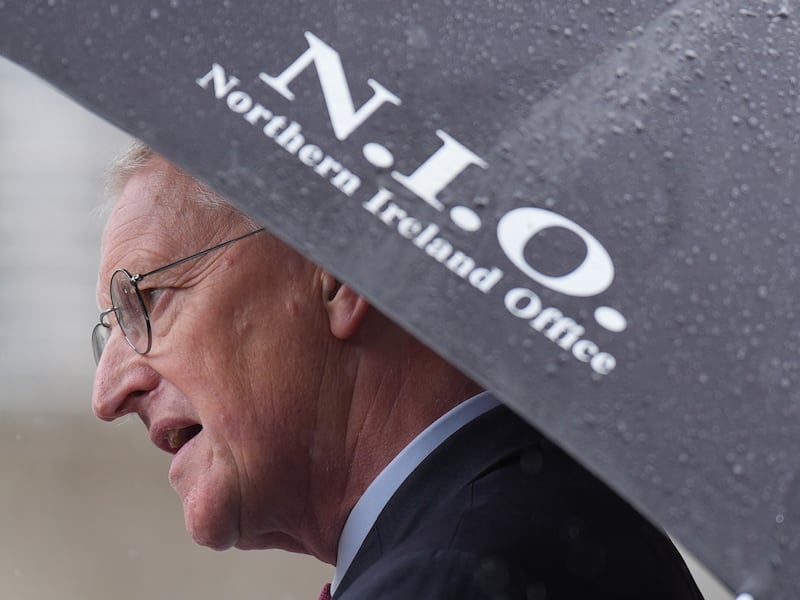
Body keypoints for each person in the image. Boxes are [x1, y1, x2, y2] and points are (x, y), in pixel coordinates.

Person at [91, 143, 703, 599]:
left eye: (147, 301)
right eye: (108, 330)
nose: (109, 391)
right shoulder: (534, 522)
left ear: (339, 272)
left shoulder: (450, 577)